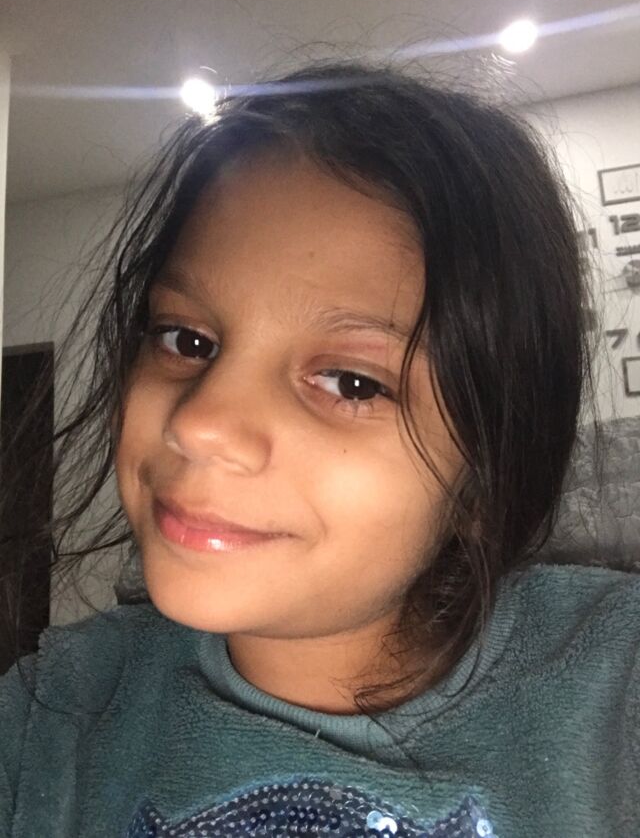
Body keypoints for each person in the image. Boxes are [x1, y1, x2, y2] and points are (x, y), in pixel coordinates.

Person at [0, 59, 638, 838]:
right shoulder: (50, 721)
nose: (201, 423)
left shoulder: (615, 690)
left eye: (350, 382)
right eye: (186, 339)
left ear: (483, 481)